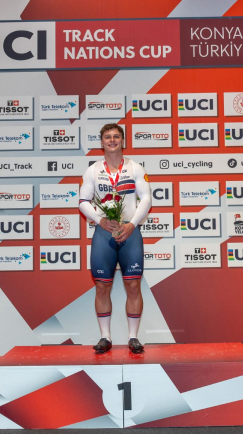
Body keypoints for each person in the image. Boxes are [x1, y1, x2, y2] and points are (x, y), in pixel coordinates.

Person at [79, 124, 151, 354]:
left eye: (116, 137)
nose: (112, 140)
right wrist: (99, 220)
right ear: (101, 142)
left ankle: (133, 337)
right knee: (102, 286)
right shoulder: (92, 170)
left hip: (130, 232)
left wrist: (132, 224)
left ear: (123, 141)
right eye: (107, 137)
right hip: (104, 233)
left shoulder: (135, 168)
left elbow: (146, 199)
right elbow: (83, 201)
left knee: (133, 285)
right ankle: (105, 337)